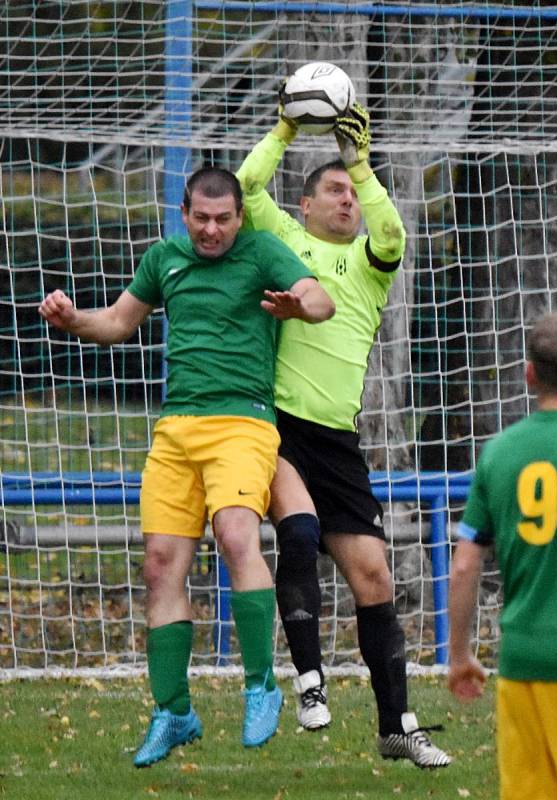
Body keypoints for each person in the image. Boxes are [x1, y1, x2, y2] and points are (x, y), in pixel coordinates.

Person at [38, 167, 335, 767]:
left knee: (234, 532)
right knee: (159, 566)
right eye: (201, 217)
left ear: (239, 217)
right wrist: (73, 320)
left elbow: (320, 298)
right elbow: (119, 323)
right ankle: (173, 712)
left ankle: (260, 687)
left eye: (224, 219)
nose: (212, 229)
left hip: (243, 423)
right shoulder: (165, 258)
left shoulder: (261, 251)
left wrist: (298, 304)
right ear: (184, 211)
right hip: (176, 429)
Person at [236, 102, 451, 768]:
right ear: (302, 206)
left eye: (352, 194)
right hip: (275, 424)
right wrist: (284, 129)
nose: (348, 201)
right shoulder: (281, 243)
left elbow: (391, 233)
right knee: (298, 533)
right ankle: (307, 683)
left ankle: (397, 725)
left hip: (335, 438)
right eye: (334, 190)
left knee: (373, 576)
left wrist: (359, 161)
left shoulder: (366, 265)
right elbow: (245, 187)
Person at [448, 312, 557, 800]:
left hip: (521, 662)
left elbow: (465, 563)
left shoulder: (499, 453)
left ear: (530, 374)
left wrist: (458, 655)